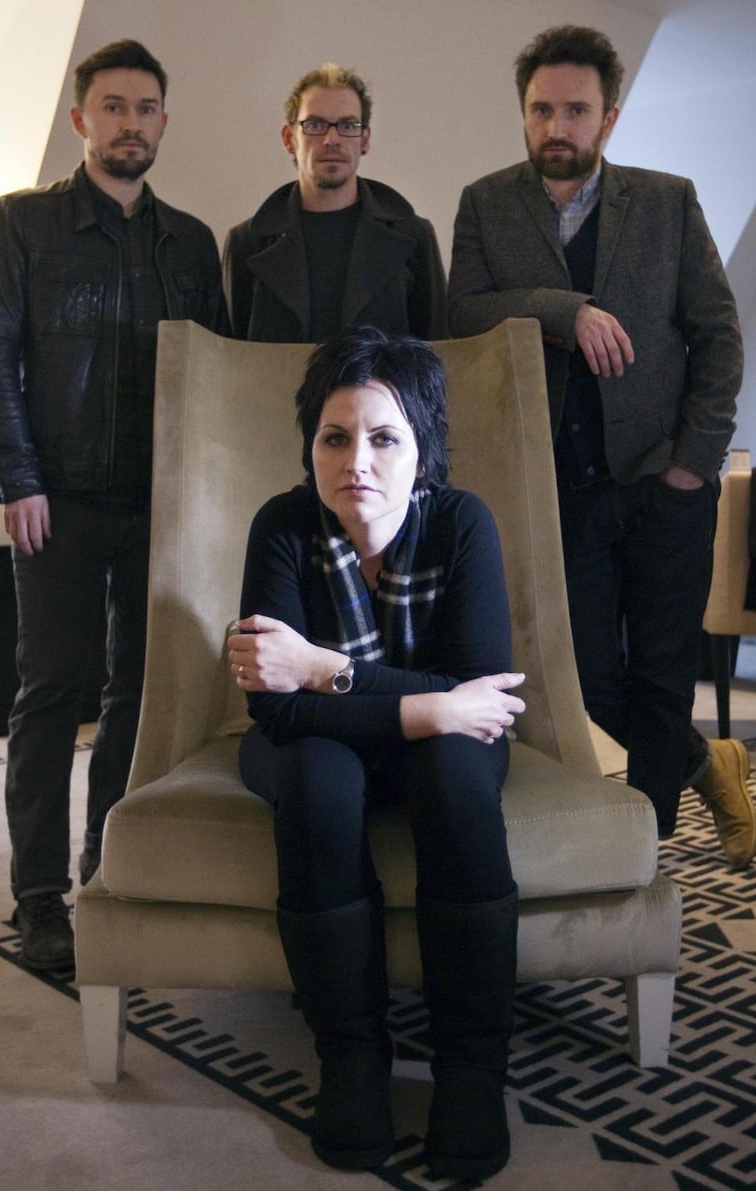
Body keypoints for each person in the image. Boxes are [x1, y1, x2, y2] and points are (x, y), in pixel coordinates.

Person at [448, 24, 755, 868]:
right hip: (558, 492)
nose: (558, 127)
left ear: (609, 118)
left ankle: (641, 859)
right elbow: (463, 312)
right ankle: (706, 763)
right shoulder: (485, 203)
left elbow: (719, 338)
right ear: (523, 113)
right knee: (582, 681)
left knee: (662, 675)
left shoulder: (667, 201)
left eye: (576, 111)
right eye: (541, 109)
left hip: (665, 484)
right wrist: (565, 311)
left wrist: (693, 465)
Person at [227, 326, 525, 1178]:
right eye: (335, 437)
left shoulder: (461, 522)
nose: (356, 460)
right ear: (311, 446)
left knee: (455, 771)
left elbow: (484, 695)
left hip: (438, 748)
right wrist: (431, 702)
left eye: (385, 437)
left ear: (422, 449)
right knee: (317, 776)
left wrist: (323, 668)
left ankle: (472, 1065)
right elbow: (276, 709)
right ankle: (352, 1055)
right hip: (317, 746)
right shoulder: (283, 525)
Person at [0, 39, 227, 974]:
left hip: (160, 502)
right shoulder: (26, 222)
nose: (130, 123)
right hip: (58, 498)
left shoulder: (190, 241)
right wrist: (18, 477)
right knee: (49, 693)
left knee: (139, 694)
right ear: (81, 119)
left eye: (146, 108)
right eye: (113, 106)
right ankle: (38, 895)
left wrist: (203, 501)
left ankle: (105, 863)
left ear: (163, 121)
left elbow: (214, 372)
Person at [222, 63, 447, 342]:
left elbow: (438, 350)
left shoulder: (413, 236)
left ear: (364, 140)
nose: (332, 139)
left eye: (348, 125)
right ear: (289, 139)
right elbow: (231, 359)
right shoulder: (247, 243)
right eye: (315, 125)